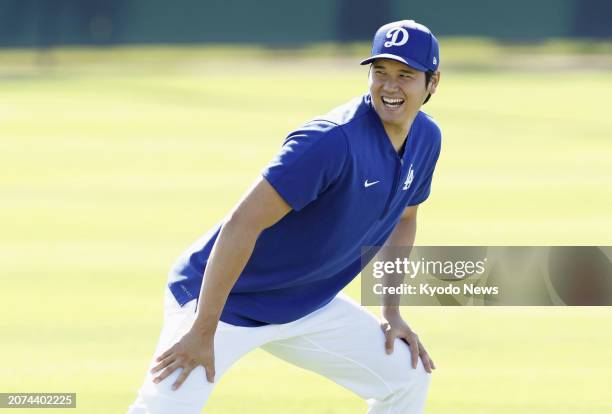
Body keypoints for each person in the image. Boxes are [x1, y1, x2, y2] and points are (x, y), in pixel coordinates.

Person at [127, 19, 442, 414]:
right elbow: (242, 224)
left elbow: (405, 218)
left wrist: (391, 313)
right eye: (380, 72)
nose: (389, 86)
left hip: (305, 303)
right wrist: (202, 329)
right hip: (222, 301)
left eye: (405, 75)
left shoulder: (427, 139)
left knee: (407, 375)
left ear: (433, 82)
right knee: (165, 408)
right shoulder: (330, 141)